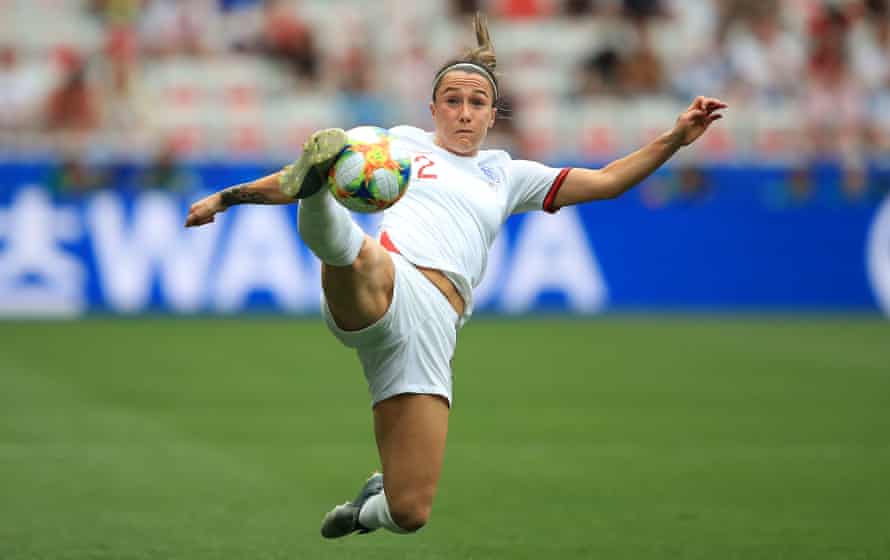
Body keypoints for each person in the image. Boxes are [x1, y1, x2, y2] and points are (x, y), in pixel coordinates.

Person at [184, 12, 726, 539]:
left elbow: (606, 181)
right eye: (453, 101)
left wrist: (676, 137)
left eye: (477, 103)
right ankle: (320, 189)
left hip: (436, 328)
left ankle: (365, 509)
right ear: (433, 108)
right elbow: (283, 180)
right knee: (355, 253)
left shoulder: (508, 174)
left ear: (493, 115)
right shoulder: (394, 144)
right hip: (389, 281)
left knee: (410, 510)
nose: (464, 113)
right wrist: (227, 198)